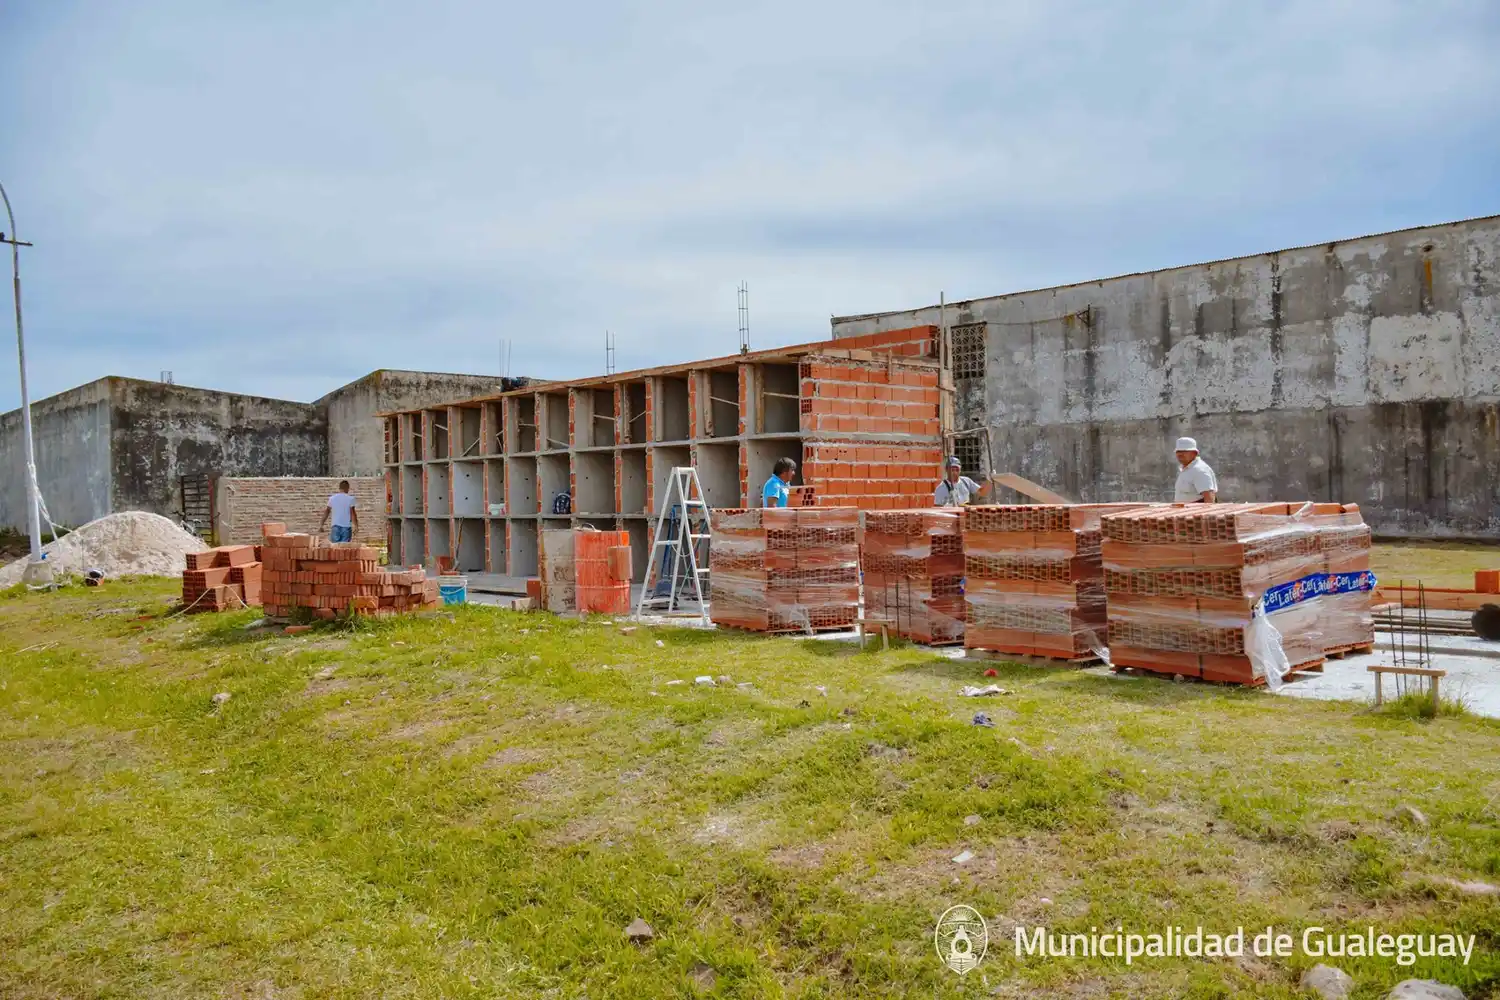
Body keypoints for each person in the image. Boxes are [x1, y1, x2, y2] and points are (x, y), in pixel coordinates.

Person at [1173, 437, 1217, 503]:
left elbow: (1209, 498)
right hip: (1184, 511)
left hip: (1195, 512)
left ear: (1195, 453)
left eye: (1184, 451)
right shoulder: (1186, 469)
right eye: (1178, 451)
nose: (1180, 454)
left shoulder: (1199, 470)